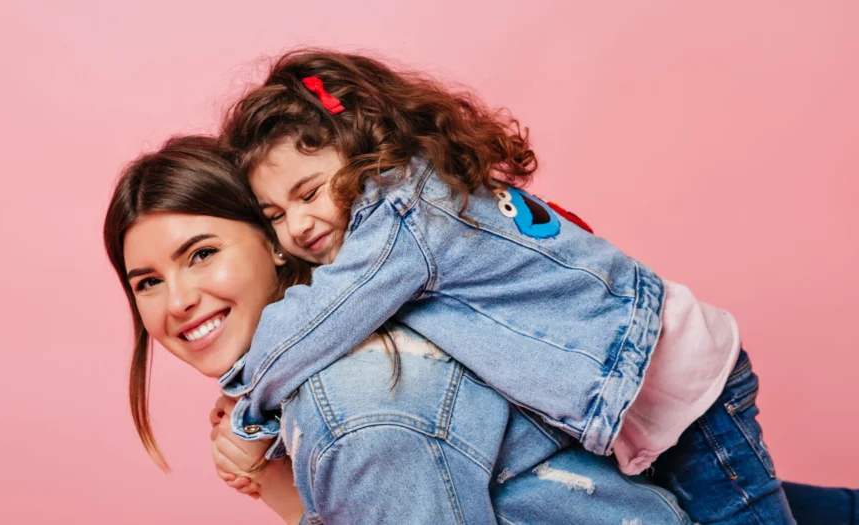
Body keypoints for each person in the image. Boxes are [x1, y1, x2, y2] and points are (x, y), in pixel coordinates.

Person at [216, 49, 857, 524]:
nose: (297, 224)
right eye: (274, 214)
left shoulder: (400, 218)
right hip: (647, 392)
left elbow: (319, 317)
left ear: (369, 151)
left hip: (687, 398)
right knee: (736, 498)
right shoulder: (427, 194)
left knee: (739, 508)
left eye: (308, 192)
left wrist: (248, 415)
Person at [102, 135, 699, 524]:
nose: (177, 300)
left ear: (275, 241)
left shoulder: (357, 397)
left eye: (201, 254)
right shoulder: (334, 375)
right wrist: (271, 473)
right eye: (146, 282)